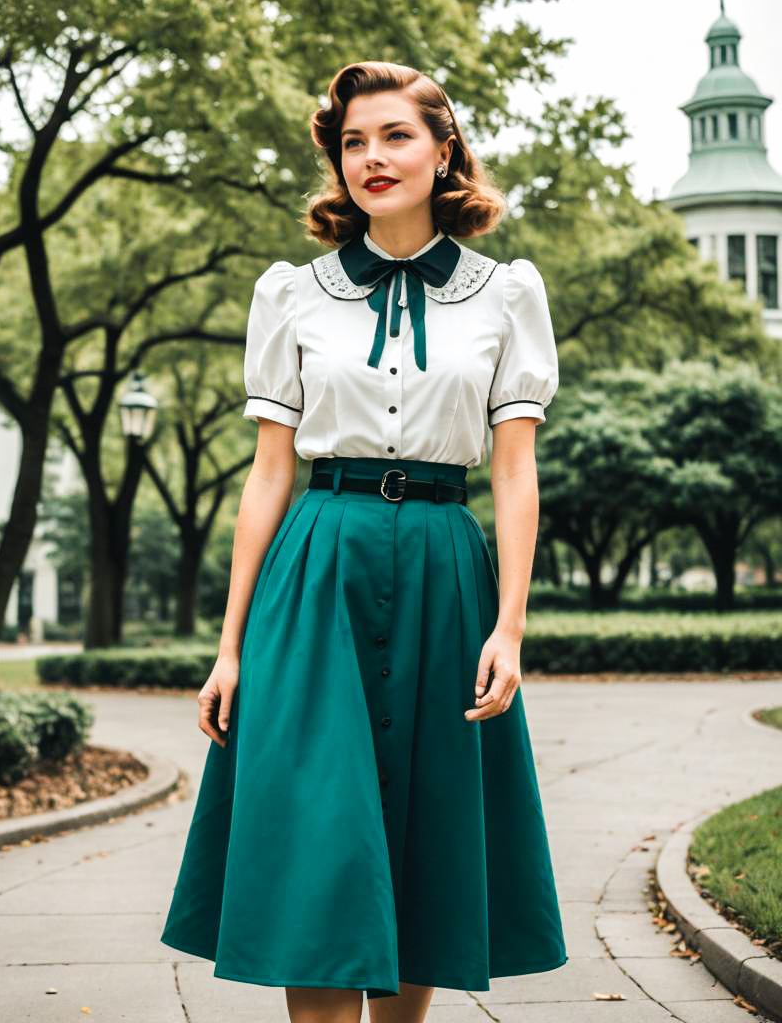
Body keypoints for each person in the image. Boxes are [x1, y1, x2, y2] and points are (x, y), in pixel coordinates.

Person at [160, 59, 567, 1023]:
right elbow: (269, 474)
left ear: (444, 150)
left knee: (423, 829)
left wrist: (509, 628)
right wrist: (230, 646)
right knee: (319, 831)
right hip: (319, 561)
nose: (372, 158)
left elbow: (513, 470)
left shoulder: (506, 295)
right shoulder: (291, 295)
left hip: (443, 560)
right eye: (353, 142)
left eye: (395, 136)